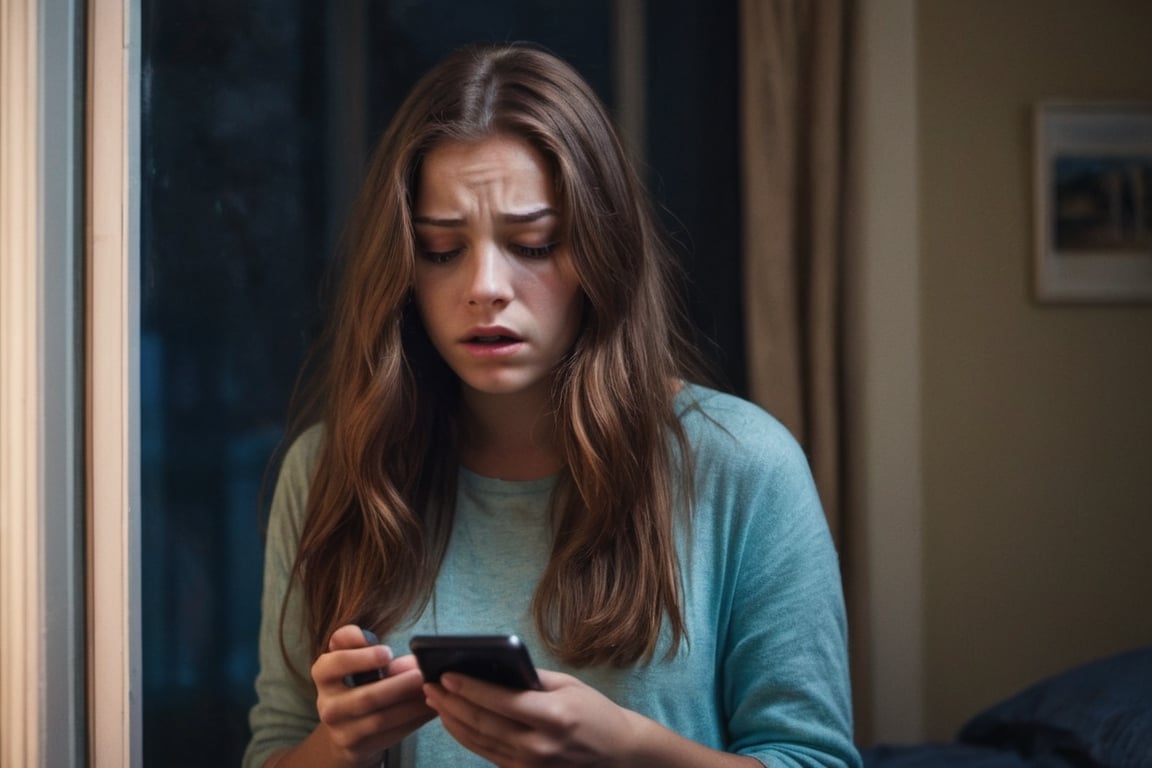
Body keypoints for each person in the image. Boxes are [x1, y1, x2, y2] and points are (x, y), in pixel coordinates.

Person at [244, 42, 860, 768]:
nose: (485, 286)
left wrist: (624, 746)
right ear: (403, 271)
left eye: (532, 244)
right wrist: (343, 744)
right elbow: (275, 752)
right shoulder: (329, 469)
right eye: (442, 250)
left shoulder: (742, 464)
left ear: (601, 252)